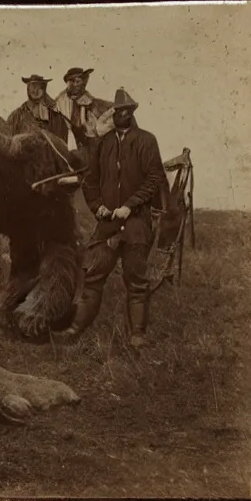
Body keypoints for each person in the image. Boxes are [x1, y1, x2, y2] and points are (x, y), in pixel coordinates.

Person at [57, 88, 167, 348]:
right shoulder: (103, 144)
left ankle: (137, 336)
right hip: (107, 225)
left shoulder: (146, 141)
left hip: (136, 223)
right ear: (113, 114)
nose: (123, 115)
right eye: (118, 111)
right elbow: (89, 180)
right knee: (93, 277)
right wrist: (98, 208)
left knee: (136, 280)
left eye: (127, 111)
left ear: (132, 113)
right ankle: (75, 329)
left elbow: (154, 178)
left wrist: (130, 205)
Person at [54, 67, 113, 157]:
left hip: (88, 144)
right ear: (67, 83)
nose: (75, 85)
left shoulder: (90, 101)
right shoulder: (59, 101)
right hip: (65, 142)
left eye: (78, 81)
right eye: (72, 81)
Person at [7, 74, 68, 140]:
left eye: (40, 87)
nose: (36, 90)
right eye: (33, 86)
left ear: (44, 90)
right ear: (28, 88)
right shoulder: (16, 116)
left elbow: (62, 144)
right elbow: (8, 141)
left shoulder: (55, 117)